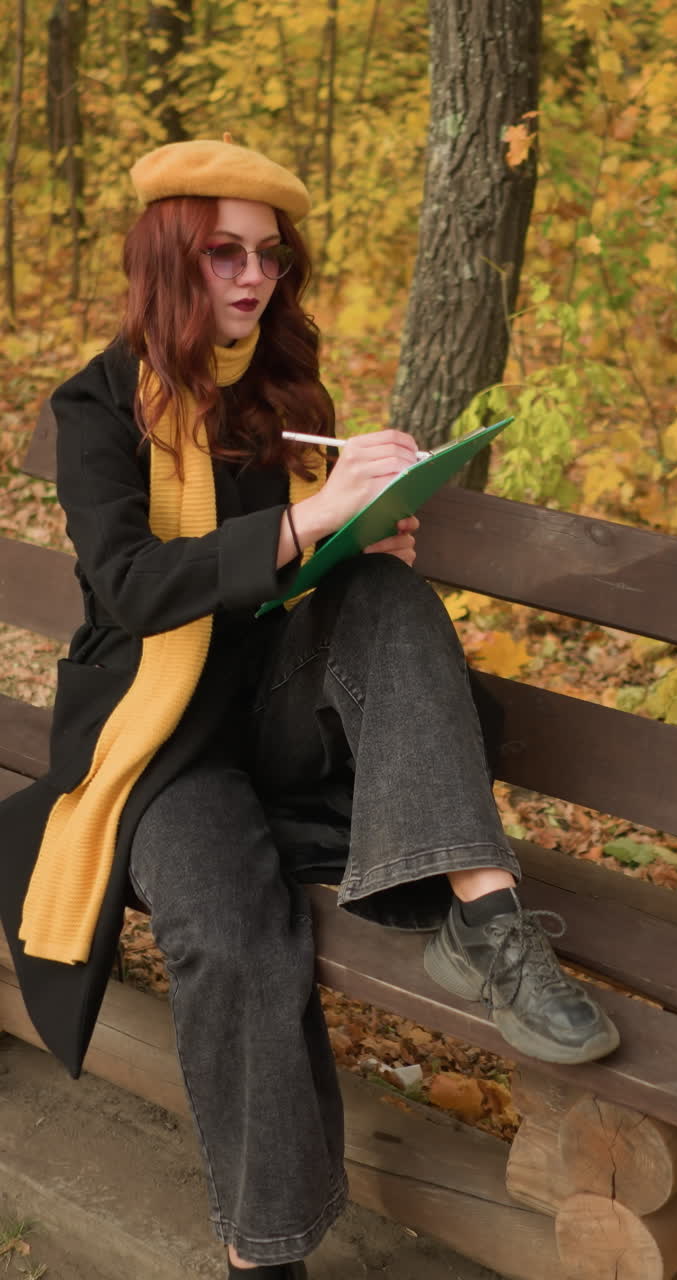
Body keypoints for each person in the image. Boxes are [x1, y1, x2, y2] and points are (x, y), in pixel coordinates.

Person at [0, 137, 619, 1279]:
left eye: (270, 256)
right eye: (225, 253)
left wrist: (354, 538)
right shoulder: (99, 405)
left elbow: (297, 582)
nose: (254, 277)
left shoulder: (287, 395)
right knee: (229, 930)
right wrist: (308, 520)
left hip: (280, 716)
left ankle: (489, 923)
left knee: (384, 589)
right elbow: (131, 585)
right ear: (168, 258)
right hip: (161, 742)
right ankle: (263, 1252)